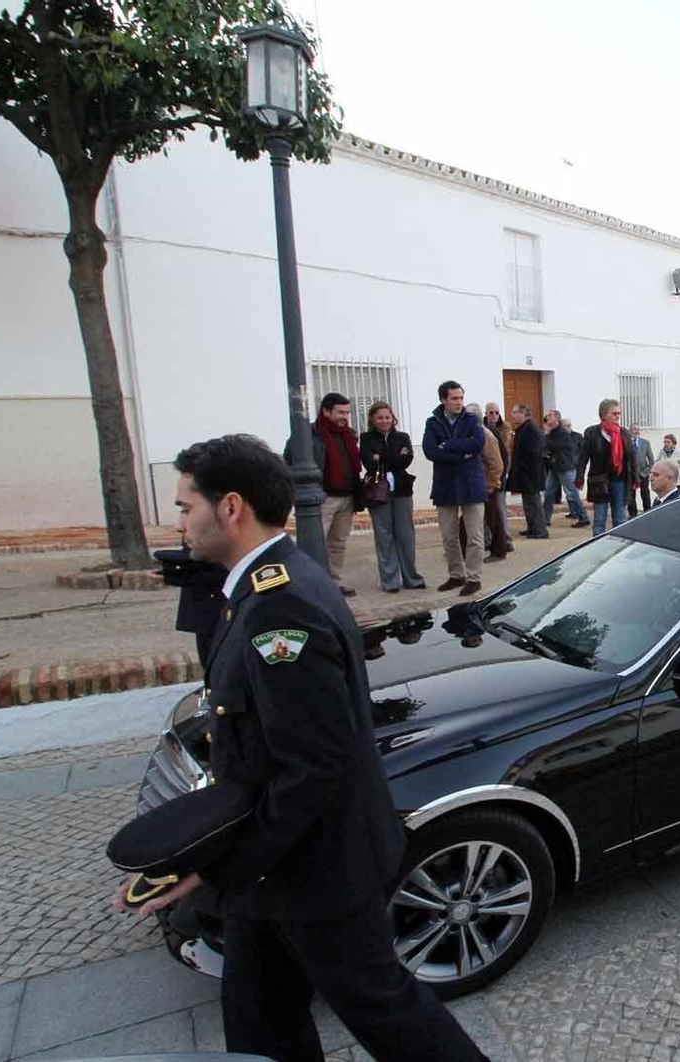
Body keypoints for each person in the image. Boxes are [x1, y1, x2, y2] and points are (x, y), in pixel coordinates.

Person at [115, 434, 488, 1062]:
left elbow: (312, 768)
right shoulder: (261, 585)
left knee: (386, 1010)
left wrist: (218, 865)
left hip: (318, 870)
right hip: (275, 866)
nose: (177, 521)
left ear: (230, 507)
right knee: (259, 1016)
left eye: (185, 507)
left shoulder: (280, 610)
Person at [284, 392, 359, 596]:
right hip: (321, 498)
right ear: (326, 411)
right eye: (341, 412)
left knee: (338, 544)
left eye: (347, 412)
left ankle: (334, 582)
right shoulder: (307, 433)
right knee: (314, 543)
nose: (345, 416)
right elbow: (290, 459)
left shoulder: (349, 434)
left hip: (347, 497)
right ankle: (311, 585)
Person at [422, 381, 487, 596]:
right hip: (445, 484)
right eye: (454, 398)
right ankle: (456, 575)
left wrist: (448, 445)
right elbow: (430, 450)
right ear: (443, 400)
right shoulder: (433, 423)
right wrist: (462, 452)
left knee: (475, 536)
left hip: (471, 483)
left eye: (461, 398)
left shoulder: (472, 420)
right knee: (449, 536)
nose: (459, 402)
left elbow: (477, 444)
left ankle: (474, 577)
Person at [359, 402, 424, 593]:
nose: (384, 421)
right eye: (380, 417)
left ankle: (411, 578)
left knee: (406, 535)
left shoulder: (402, 437)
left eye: (387, 417)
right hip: (378, 492)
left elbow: (406, 459)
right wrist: (392, 456)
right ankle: (390, 581)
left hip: (402, 490)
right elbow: (369, 462)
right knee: (384, 535)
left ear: (393, 418)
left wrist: (382, 457)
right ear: (372, 419)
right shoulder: (366, 438)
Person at [578, 398, 639, 533]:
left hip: (620, 481)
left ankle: (618, 549)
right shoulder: (592, 433)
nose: (618, 416)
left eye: (619, 413)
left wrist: (636, 479)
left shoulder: (624, 433)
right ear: (603, 415)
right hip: (600, 481)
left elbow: (632, 457)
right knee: (599, 520)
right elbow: (583, 458)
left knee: (620, 519)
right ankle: (598, 549)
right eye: (614, 413)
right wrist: (579, 477)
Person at [468, 403, 512, 564]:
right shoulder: (478, 432)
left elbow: (497, 462)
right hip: (481, 482)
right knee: (482, 518)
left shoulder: (486, 434)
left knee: (493, 518)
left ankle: (499, 550)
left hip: (488, 483)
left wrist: (493, 484)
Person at [541, 409, 590, 529]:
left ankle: (583, 518)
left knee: (572, 494)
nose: (547, 418)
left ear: (556, 419)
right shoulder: (552, 432)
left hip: (565, 468)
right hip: (555, 468)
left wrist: (546, 434)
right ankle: (544, 519)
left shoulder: (562, 433)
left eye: (550, 416)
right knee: (548, 493)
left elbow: (552, 445)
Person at [505, 403, 548, 540]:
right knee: (528, 503)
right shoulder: (523, 428)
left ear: (523, 413)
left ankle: (540, 531)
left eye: (515, 412)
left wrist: (523, 467)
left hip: (530, 474)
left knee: (533, 503)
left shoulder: (530, 429)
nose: (512, 415)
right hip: (525, 473)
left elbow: (534, 452)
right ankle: (532, 528)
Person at [627, 425, 656, 515]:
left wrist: (646, 472)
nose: (637, 431)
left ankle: (647, 512)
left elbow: (651, 460)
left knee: (645, 493)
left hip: (643, 473)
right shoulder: (626, 442)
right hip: (630, 474)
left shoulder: (645, 443)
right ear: (630, 431)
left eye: (638, 429)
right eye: (634, 429)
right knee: (631, 495)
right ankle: (633, 515)